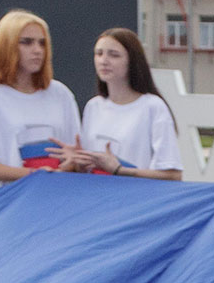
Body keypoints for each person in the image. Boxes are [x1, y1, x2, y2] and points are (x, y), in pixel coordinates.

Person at [0, 10, 83, 194]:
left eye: (42, 43)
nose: (37, 50)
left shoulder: (60, 94)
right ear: (7, 46)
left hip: (55, 197)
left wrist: (73, 162)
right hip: (6, 202)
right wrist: (32, 173)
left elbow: (75, 150)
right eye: (27, 42)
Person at [63, 28, 181, 181]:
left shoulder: (153, 107)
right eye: (99, 54)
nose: (104, 61)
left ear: (132, 61)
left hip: (135, 199)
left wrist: (119, 170)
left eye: (114, 55)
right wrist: (78, 163)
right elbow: (88, 167)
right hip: (98, 197)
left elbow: (173, 175)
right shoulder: (93, 107)